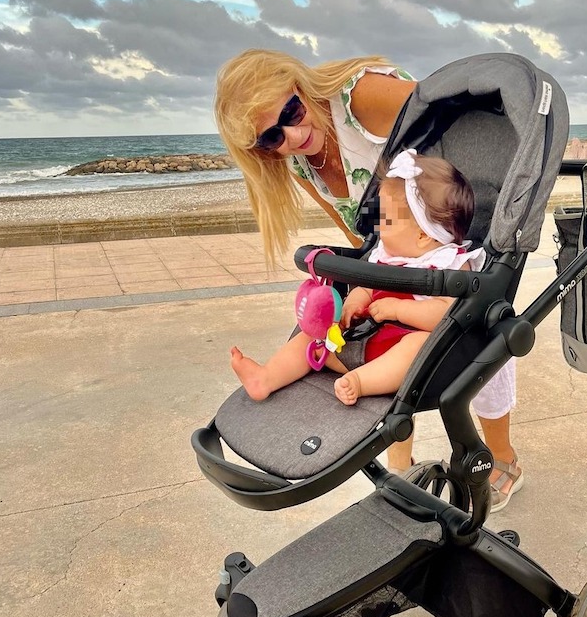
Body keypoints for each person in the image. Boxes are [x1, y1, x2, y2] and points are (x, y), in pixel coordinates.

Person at [215, 49, 523, 509]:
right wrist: (367, 276)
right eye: (270, 138)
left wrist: (454, 237)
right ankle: (393, 458)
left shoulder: (363, 94)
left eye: (292, 113)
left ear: (299, 86)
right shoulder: (298, 159)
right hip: (393, 255)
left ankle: (499, 456)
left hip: (434, 232)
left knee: (470, 339)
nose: (293, 136)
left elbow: (449, 135)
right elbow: (358, 229)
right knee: (314, 334)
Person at [231, 150, 478, 405]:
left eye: (386, 219)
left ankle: (360, 382)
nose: (379, 225)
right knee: (313, 335)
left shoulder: (450, 264)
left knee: (420, 344)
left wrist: (399, 309)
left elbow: (446, 315)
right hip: (359, 342)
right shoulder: (388, 254)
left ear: (423, 235)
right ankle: (266, 377)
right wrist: (354, 302)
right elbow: (368, 288)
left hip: (398, 356)